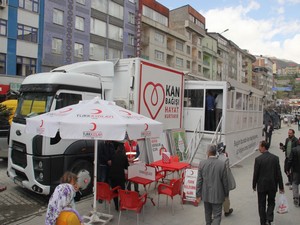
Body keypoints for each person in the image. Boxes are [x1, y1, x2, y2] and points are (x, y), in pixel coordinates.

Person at [252, 141, 284, 225]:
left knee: (261, 204)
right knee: (271, 202)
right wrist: (281, 186)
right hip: (272, 185)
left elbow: (256, 173)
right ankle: (268, 218)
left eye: (259, 146)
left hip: (261, 186)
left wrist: (254, 185)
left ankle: (263, 222)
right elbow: (278, 173)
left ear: (263, 147)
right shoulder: (275, 158)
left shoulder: (258, 159)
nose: (259, 148)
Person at [196, 144, 229, 225]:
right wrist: (226, 194)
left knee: (207, 214)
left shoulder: (202, 163)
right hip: (218, 194)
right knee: (217, 216)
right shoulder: (222, 164)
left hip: (206, 194)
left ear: (208, 152)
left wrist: (198, 194)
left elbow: (199, 181)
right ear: (215, 152)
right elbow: (225, 182)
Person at [108, 142, 129, 211]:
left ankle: (116, 207)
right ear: (123, 149)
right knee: (122, 191)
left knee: (115, 192)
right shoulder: (123, 156)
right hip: (120, 176)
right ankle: (122, 205)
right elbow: (127, 167)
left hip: (112, 176)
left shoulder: (113, 156)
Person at [217, 143, 235, 217]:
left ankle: (216, 212)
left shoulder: (215, 158)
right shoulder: (225, 159)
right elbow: (226, 172)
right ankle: (227, 211)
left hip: (216, 181)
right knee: (226, 196)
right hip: (223, 181)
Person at [286, 141, 300, 207]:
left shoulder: (294, 150)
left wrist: (287, 169)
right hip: (296, 170)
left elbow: (290, 160)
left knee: (295, 183)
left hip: (296, 170)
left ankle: (296, 197)